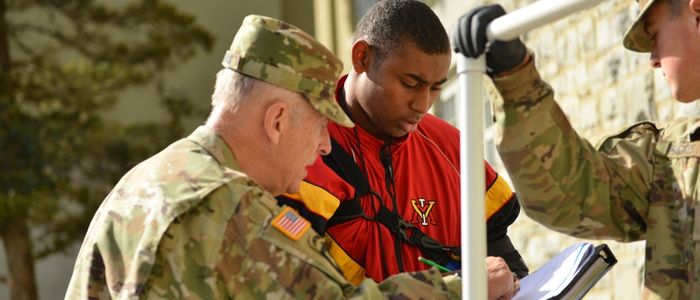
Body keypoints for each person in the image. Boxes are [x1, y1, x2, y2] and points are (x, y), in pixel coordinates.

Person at [64, 15, 466, 299]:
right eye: (321, 127)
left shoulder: (141, 181)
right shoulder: (230, 205)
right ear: (276, 120)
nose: (326, 146)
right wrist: (464, 290)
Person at [277, 0, 527, 293]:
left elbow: (512, 272)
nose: (423, 105)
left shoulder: (455, 150)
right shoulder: (297, 153)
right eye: (410, 83)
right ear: (362, 57)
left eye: (436, 87)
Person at [454, 0, 700, 298]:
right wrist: (514, 78)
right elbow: (569, 195)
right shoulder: (675, 156)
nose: (653, 59)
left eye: (654, 33)